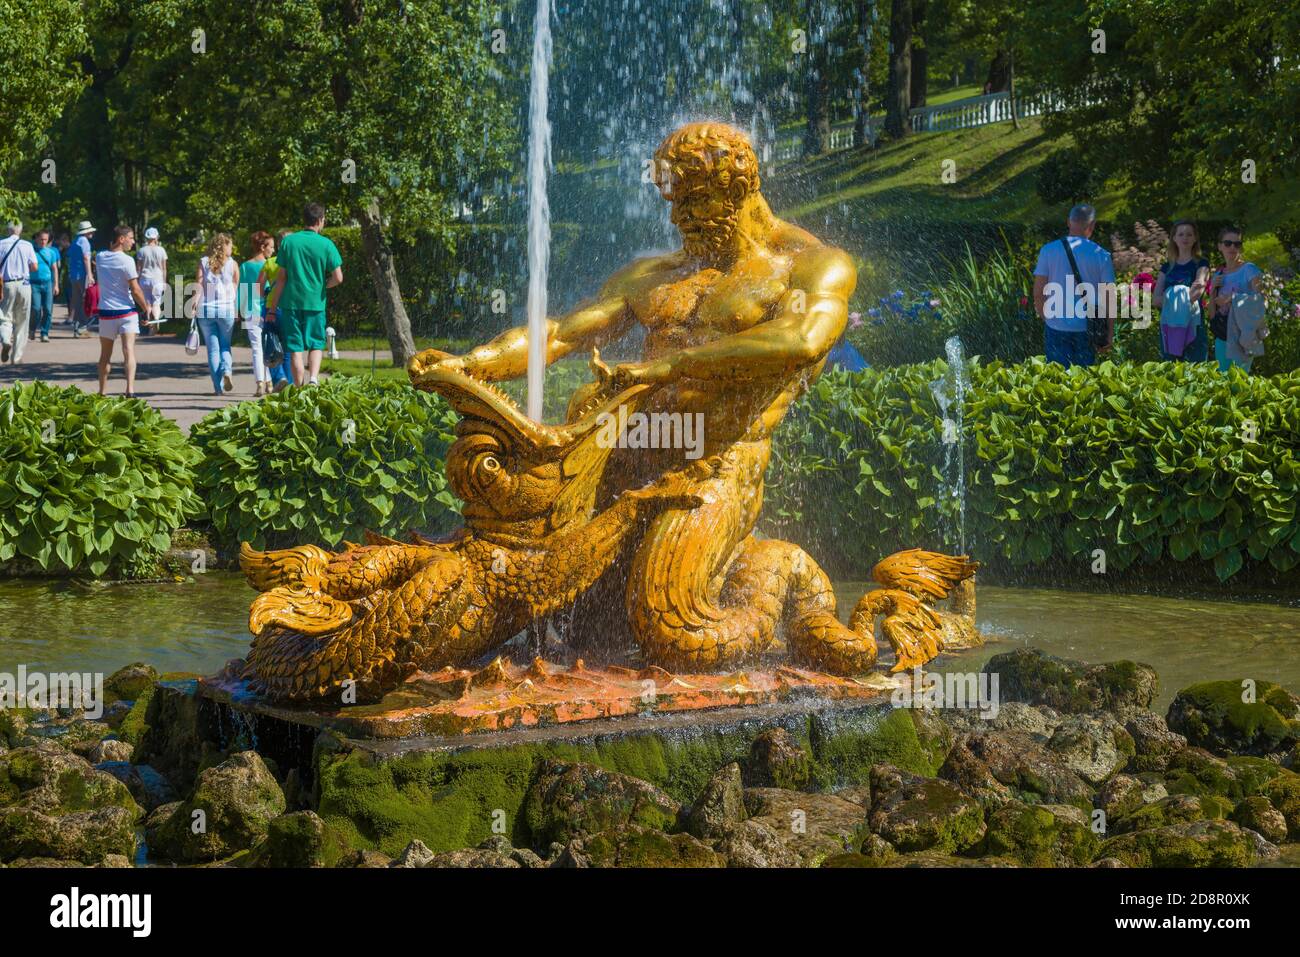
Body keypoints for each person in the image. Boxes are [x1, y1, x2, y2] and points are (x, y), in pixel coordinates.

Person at [1032, 204, 1116, 369]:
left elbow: (1038, 292)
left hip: (1056, 327)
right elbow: (1109, 298)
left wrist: (1047, 318)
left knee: (1057, 382)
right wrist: (1109, 333)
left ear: (1069, 222)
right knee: (1084, 383)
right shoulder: (1101, 255)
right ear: (1092, 225)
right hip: (1087, 329)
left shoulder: (1048, 251)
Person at [272, 203, 343, 385]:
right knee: (316, 343)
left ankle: (299, 388)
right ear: (320, 220)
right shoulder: (326, 244)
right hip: (315, 303)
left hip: (290, 304)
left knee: (295, 348)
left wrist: (272, 308)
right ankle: (313, 379)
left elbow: (281, 278)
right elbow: (338, 277)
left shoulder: (289, 242)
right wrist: (324, 285)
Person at [94, 225, 149, 397]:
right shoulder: (127, 261)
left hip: (106, 313)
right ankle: (130, 389)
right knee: (129, 351)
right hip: (126, 312)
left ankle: (102, 391)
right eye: (131, 238)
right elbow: (135, 289)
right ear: (121, 239)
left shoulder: (101, 257)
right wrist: (146, 309)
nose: (133, 242)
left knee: (105, 355)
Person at [1207, 226, 1263, 373]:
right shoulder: (1218, 274)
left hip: (1243, 334)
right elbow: (1212, 315)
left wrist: (1232, 299)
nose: (1232, 247)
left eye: (1237, 244)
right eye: (1227, 243)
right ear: (1220, 246)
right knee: (1223, 380)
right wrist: (1212, 289)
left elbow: (1261, 299)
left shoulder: (1249, 269)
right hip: (1222, 334)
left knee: (1240, 381)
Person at [1152, 220, 1209, 362]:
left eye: (1189, 234)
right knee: (1171, 371)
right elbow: (1155, 300)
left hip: (1193, 325)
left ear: (1195, 238)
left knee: (1196, 370)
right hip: (1170, 328)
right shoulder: (1166, 267)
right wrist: (1182, 293)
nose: (1185, 238)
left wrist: (1170, 295)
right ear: (1174, 238)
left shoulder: (1201, 264)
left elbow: (1197, 292)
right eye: (1181, 234)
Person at [193, 233, 239, 395]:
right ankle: (227, 371)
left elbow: (198, 286)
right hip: (226, 309)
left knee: (213, 349)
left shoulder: (203, 262)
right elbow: (235, 289)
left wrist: (193, 304)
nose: (231, 248)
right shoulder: (233, 264)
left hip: (206, 309)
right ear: (224, 246)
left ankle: (218, 388)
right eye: (230, 245)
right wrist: (236, 309)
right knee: (225, 345)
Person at [239, 231, 274, 396]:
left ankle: (260, 382)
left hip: (250, 310)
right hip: (268, 309)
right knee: (268, 345)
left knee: (256, 348)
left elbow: (242, 291)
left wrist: (239, 309)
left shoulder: (245, 266)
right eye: (271, 247)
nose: (273, 251)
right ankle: (269, 382)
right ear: (262, 247)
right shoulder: (271, 265)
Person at [259, 231, 294, 391]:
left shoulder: (270, 263)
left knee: (270, 343)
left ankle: (279, 376)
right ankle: (290, 385)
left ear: (279, 245)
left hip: (271, 307)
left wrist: (266, 293)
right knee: (287, 348)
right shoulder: (295, 263)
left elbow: (259, 287)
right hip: (290, 307)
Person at [0, 222, 39, 363]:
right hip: (24, 284)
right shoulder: (27, 245)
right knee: (22, 321)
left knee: (5, 316)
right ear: (20, 231)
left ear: (8, 230)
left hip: (7, 284)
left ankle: (5, 339)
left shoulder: (1, 244)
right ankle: (16, 358)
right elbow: (34, 266)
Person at [136, 227, 169, 335]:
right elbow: (164, 268)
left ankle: (150, 325)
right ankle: (156, 320)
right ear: (156, 237)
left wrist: (137, 281)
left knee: (148, 304)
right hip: (158, 279)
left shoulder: (141, 250)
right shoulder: (161, 250)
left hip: (145, 279)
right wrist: (164, 281)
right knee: (156, 303)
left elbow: (139, 269)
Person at [30, 230, 61, 344]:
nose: (43, 242)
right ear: (37, 238)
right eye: (41, 239)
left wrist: (56, 285)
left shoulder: (51, 252)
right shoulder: (31, 251)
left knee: (48, 309)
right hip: (34, 283)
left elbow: (54, 269)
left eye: (46, 240)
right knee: (36, 309)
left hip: (48, 283)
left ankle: (44, 333)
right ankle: (32, 329)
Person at [68, 221, 96, 337]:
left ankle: (76, 327)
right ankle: (82, 327)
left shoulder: (75, 241)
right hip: (82, 275)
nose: (92, 233)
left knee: (77, 302)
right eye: (90, 231)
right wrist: (90, 274)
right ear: (87, 232)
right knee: (86, 301)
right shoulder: (85, 242)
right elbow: (86, 258)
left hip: (74, 276)